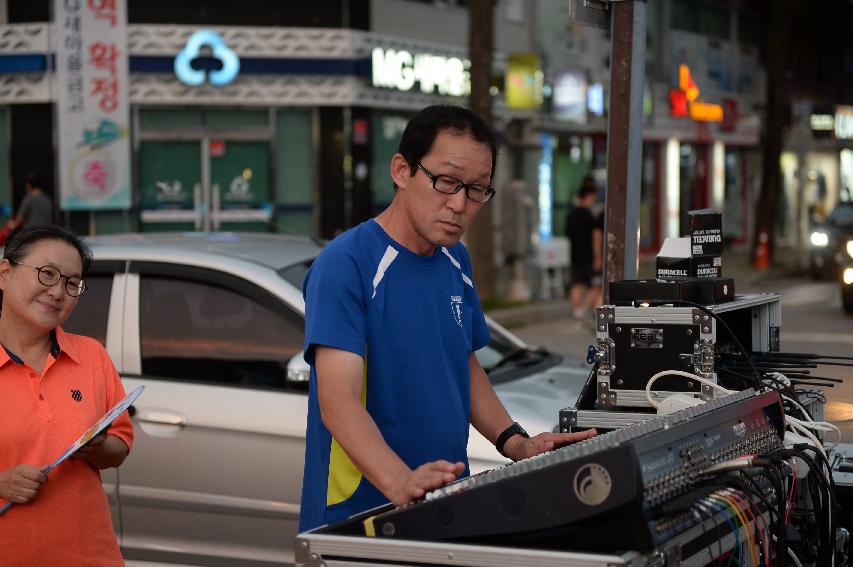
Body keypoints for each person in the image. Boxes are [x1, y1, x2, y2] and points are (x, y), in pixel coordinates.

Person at [299, 105, 596, 532]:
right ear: (402, 171)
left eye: (477, 189)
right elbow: (337, 398)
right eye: (446, 182)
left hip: (448, 504)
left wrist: (515, 442)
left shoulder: (454, 259)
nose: (460, 204)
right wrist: (399, 481)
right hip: (362, 515)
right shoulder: (346, 264)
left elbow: (462, 363)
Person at [0, 225, 133, 565]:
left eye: (72, 283)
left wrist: (98, 446)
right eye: (47, 274)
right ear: (4, 273)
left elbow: (119, 446)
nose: (58, 292)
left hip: (90, 555)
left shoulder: (91, 356)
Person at [566, 176, 603, 322]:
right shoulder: (588, 215)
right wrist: (597, 256)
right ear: (588, 196)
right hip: (588, 255)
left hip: (575, 254)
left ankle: (576, 312)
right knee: (595, 284)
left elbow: (568, 233)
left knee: (577, 284)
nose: (594, 199)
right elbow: (595, 236)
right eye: (593, 197)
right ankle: (585, 310)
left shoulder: (572, 214)